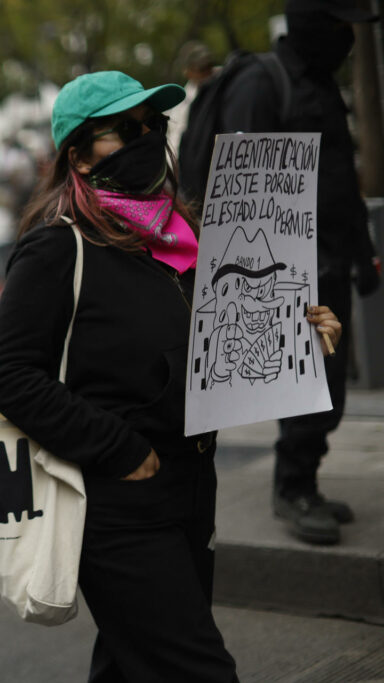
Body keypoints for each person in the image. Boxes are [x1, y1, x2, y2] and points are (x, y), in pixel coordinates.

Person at [0, 71, 342, 682]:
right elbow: (6, 373)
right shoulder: (57, 249)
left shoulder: (189, 237)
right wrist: (119, 449)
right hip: (116, 501)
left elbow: (220, 338)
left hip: (194, 481)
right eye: (124, 130)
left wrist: (293, 326)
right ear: (78, 155)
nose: (146, 138)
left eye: (154, 125)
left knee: (133, 660)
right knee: (197, 668)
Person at [216, 0, 380, 545]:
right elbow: (244, 192)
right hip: (291, 276)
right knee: (303, 391)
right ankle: (291, 491)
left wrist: (361, 256)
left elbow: (338, 179)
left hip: (333, 266)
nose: (346, 38)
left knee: (328, 392)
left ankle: (305, 481)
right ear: (311, 22)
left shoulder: (323, 85)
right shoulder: (264, 84)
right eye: (338, 25)